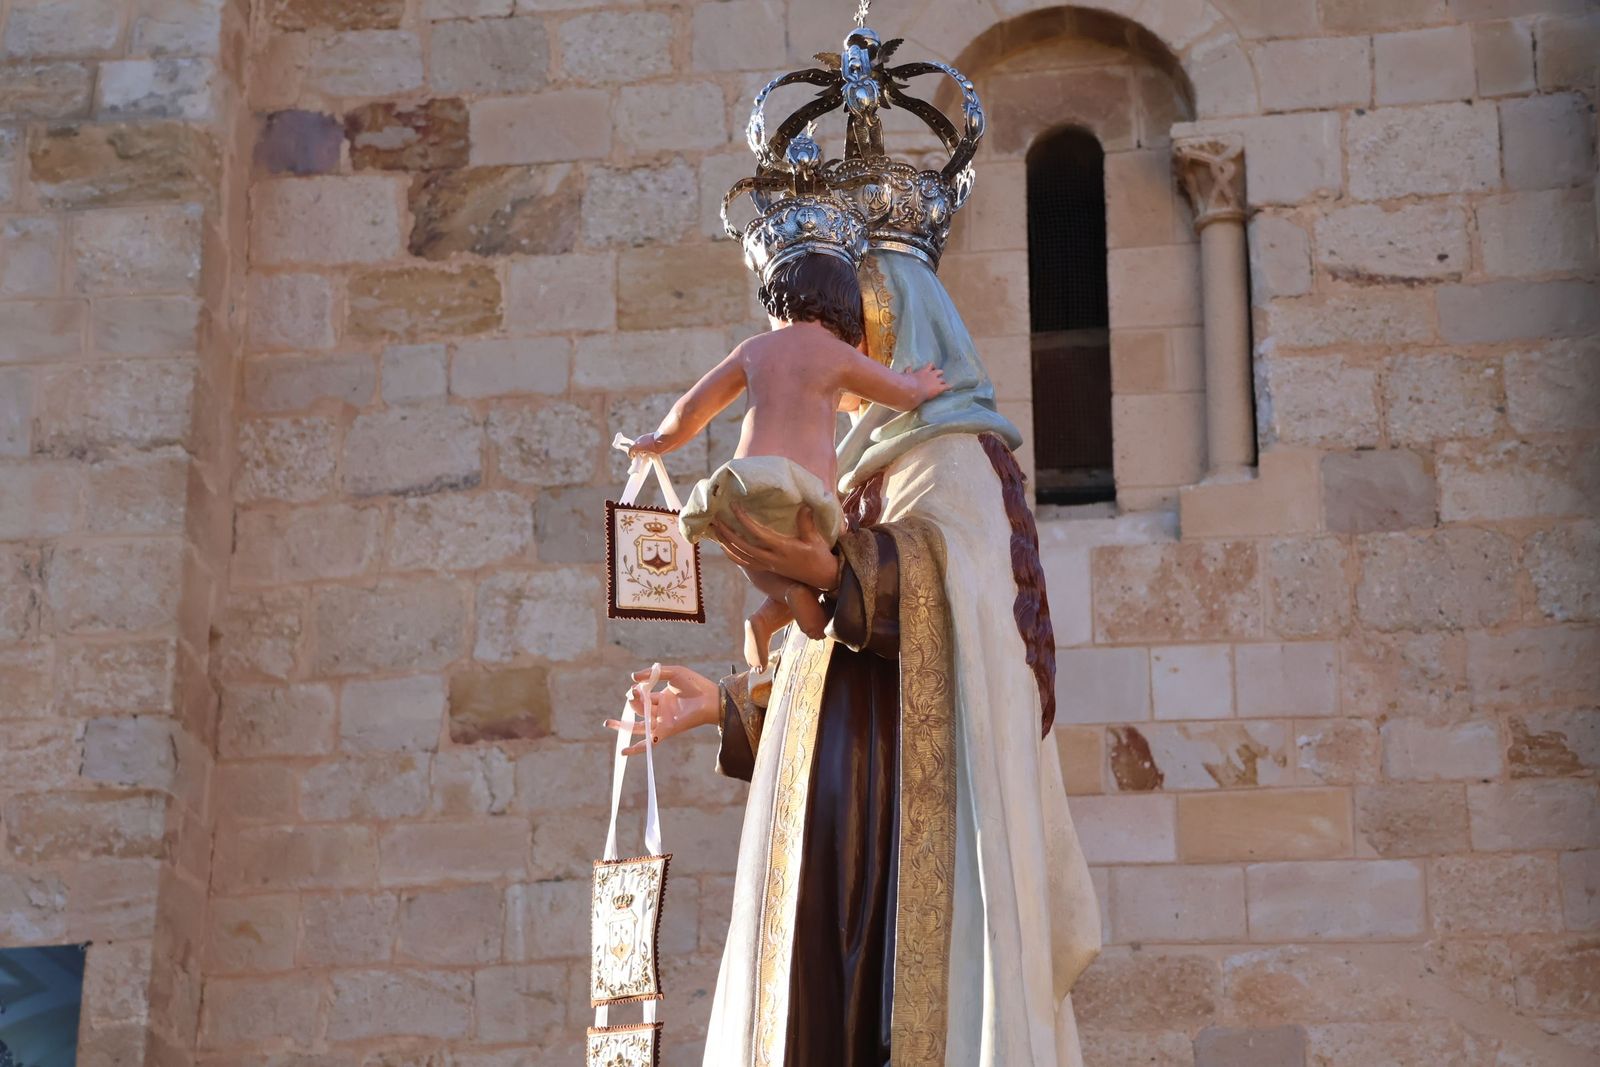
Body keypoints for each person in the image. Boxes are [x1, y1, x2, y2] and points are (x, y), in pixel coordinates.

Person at [608, 245, 1101, 1067]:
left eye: (863, 344)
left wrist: (836, 570)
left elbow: (969, 611)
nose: (842, 377)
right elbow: (823, 663)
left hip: (908, 819)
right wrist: (720, 703)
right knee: (811, 1012)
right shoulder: (847, 478)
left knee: (890, 1014)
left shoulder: (959, 459)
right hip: (823, 812)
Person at [627, 251, 949, 670]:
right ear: (846, 309)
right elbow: (898, 394)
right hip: (806, 494)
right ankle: (783, 606)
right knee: (828, 562)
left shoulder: (754, 350)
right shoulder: (837, 355)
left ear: (778, 301)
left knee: (754, 553)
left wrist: (659, 440)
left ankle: (772, 607)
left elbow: (692, 408)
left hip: (744, 485)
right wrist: (921, 385)